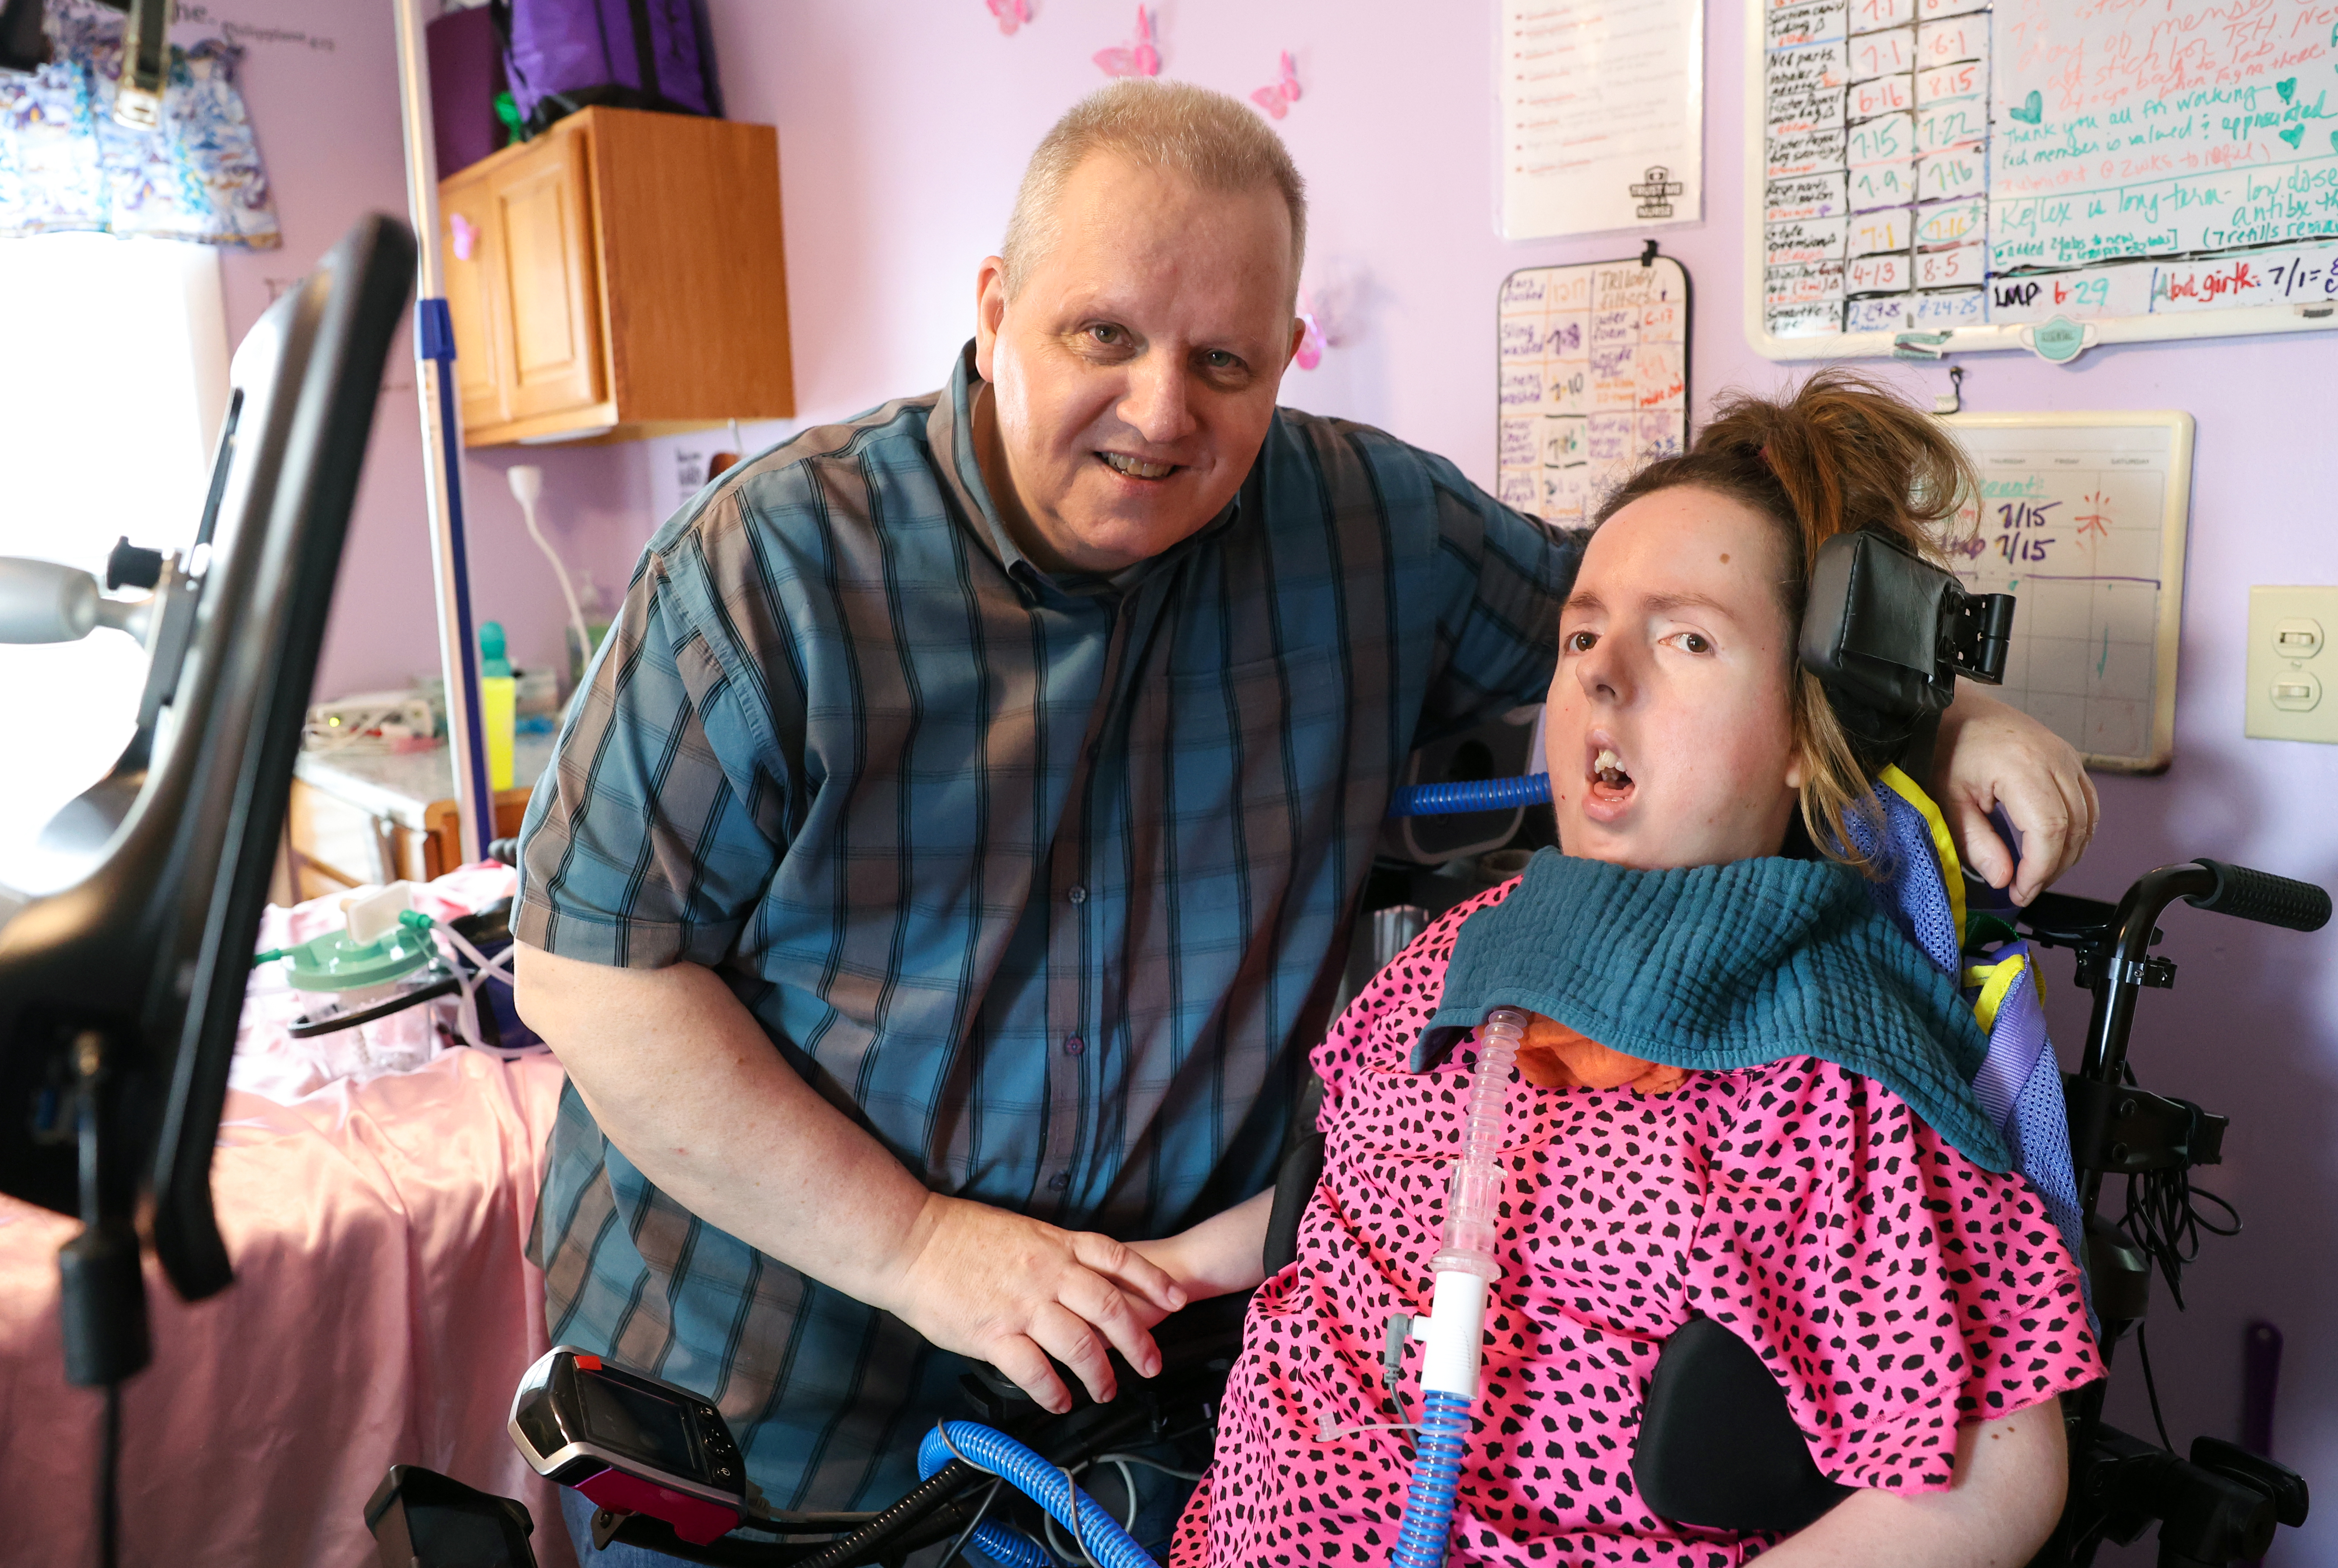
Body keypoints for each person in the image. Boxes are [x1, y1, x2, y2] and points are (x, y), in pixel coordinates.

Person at [509, 80, 2098, 1554]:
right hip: (780, 1360)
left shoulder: (1367, 531)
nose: (1158, 410)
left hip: (1125, 1378)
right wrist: (920, 1247)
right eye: (1100, 334)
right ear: (993, 314)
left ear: (1282, 357)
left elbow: (1668, 625)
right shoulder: (772, 573)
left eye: (1222, 362)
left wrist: (1945, 709)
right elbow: (587, 970)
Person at [1147, 373, 2102, 1567]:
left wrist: (1956, 718)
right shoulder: (1460, 951)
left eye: (1686, 637)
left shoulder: (1834, 1067)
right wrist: (1162, 1269)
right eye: (1583, 634)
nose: (1602, 675)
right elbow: (1344, 1180)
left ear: (1811, 739)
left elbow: (1990, 1485)